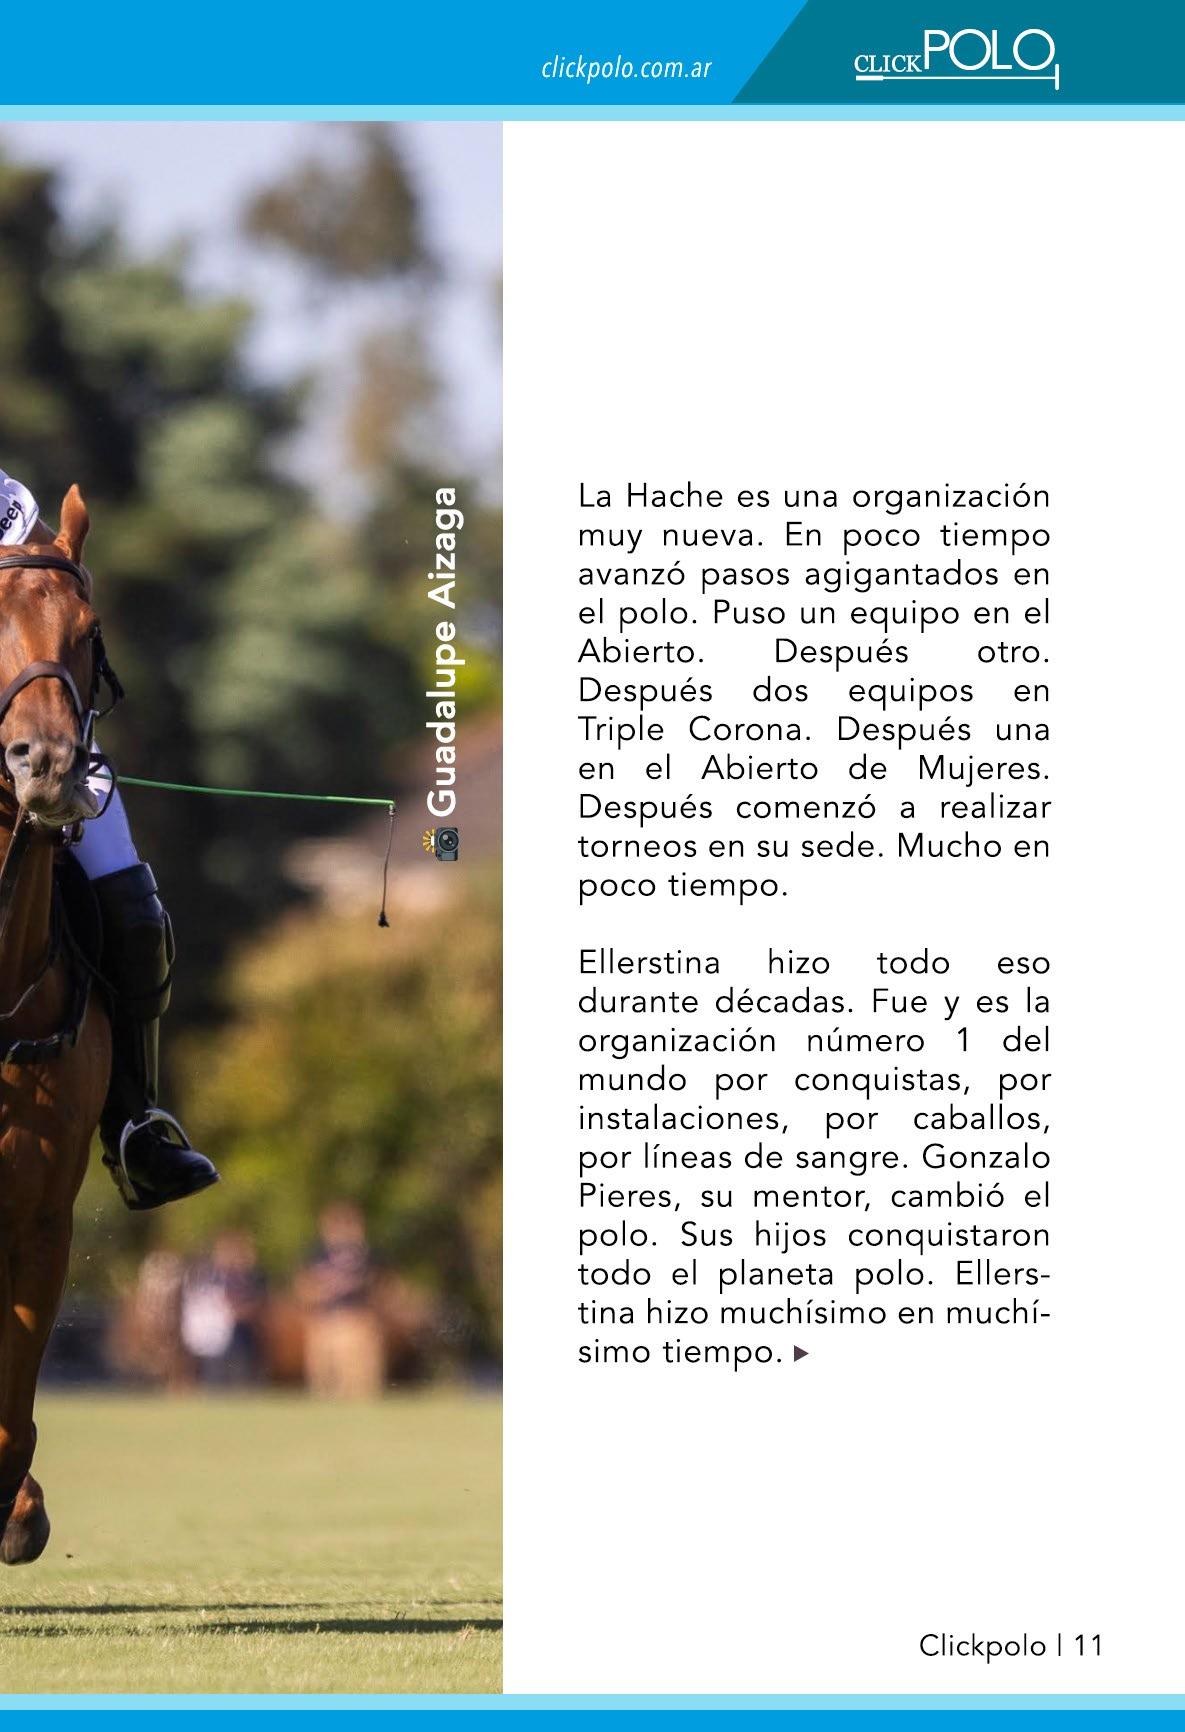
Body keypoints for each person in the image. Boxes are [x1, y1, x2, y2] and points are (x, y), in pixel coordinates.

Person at [0, 466, 219, 1211]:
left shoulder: (9, 503)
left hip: (36, 746)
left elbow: (43, 593)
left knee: (133, 908)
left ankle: (134, 1123)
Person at [297, 1202, 386, 1397]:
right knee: (324, 1381)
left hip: (358, 1320)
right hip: (325, 1321)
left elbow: (380, 1286)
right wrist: (326, 1290)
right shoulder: (317, 1255)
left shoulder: (366, 1254)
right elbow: (304, 1289)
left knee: (360, 1383)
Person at [180, 1230, 266, 1386]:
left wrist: (239, 1311)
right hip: (211, 1340)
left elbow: (256, 1302)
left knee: (240, 1378)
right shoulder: (207, 1276)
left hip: (240, 1339)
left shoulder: (246, 1277)